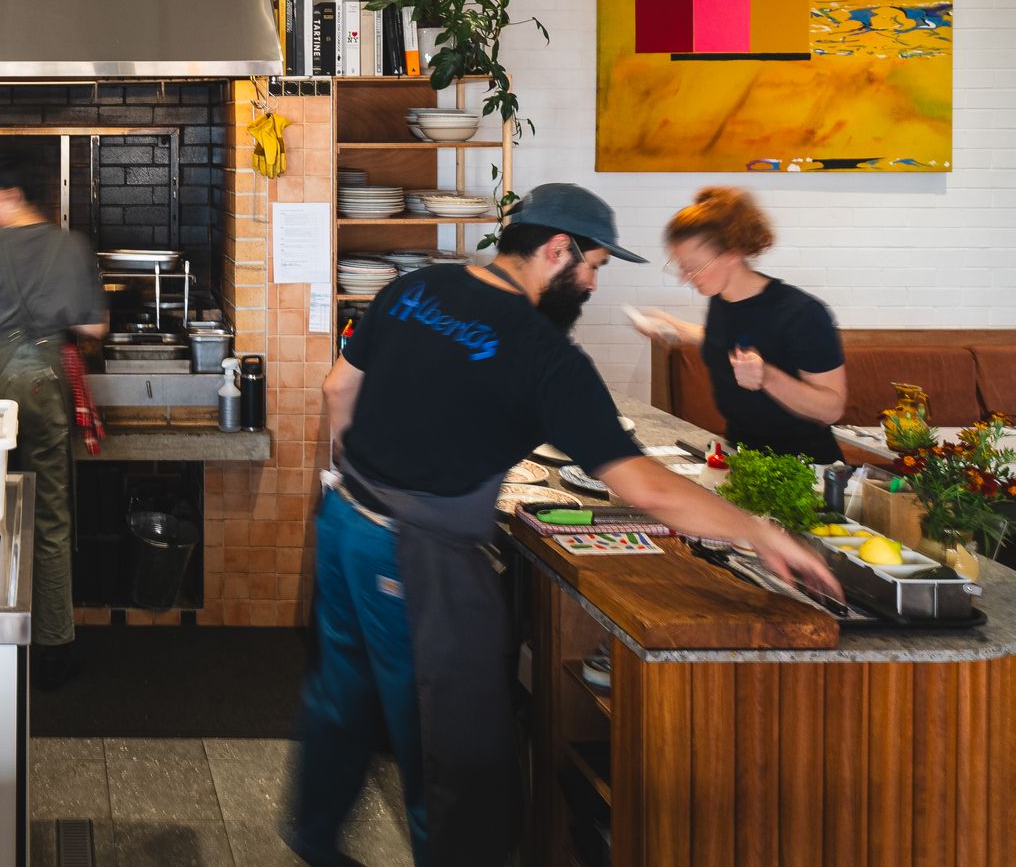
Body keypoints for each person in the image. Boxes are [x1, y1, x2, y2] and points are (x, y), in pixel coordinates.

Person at [288, 183, 838, 867]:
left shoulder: (415, 288)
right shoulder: (543, 353)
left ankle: (311, 837)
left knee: (339, 694)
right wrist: (759, 532)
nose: (593, 283)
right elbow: (643, 485)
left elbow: (338, 388)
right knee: (451, 743)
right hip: (416, 558)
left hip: (343, 524)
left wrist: (362, 480)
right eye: (595, 267)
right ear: (557, 251)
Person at [0, 151, 107, 689]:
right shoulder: (73, 246)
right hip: (46, 385)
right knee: (51, 517)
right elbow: (93, 328)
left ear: (14, 196)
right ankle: (53, 650)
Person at [633, 186, 848, 462]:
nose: (685, 277)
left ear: (732, 254)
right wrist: (679, 329)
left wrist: (767, 377)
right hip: (739, 456)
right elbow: (735, 338)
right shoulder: (722, 300)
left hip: (804, 469)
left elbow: (831, 408)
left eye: (694, 267)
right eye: (680, 266)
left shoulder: (802, 314)